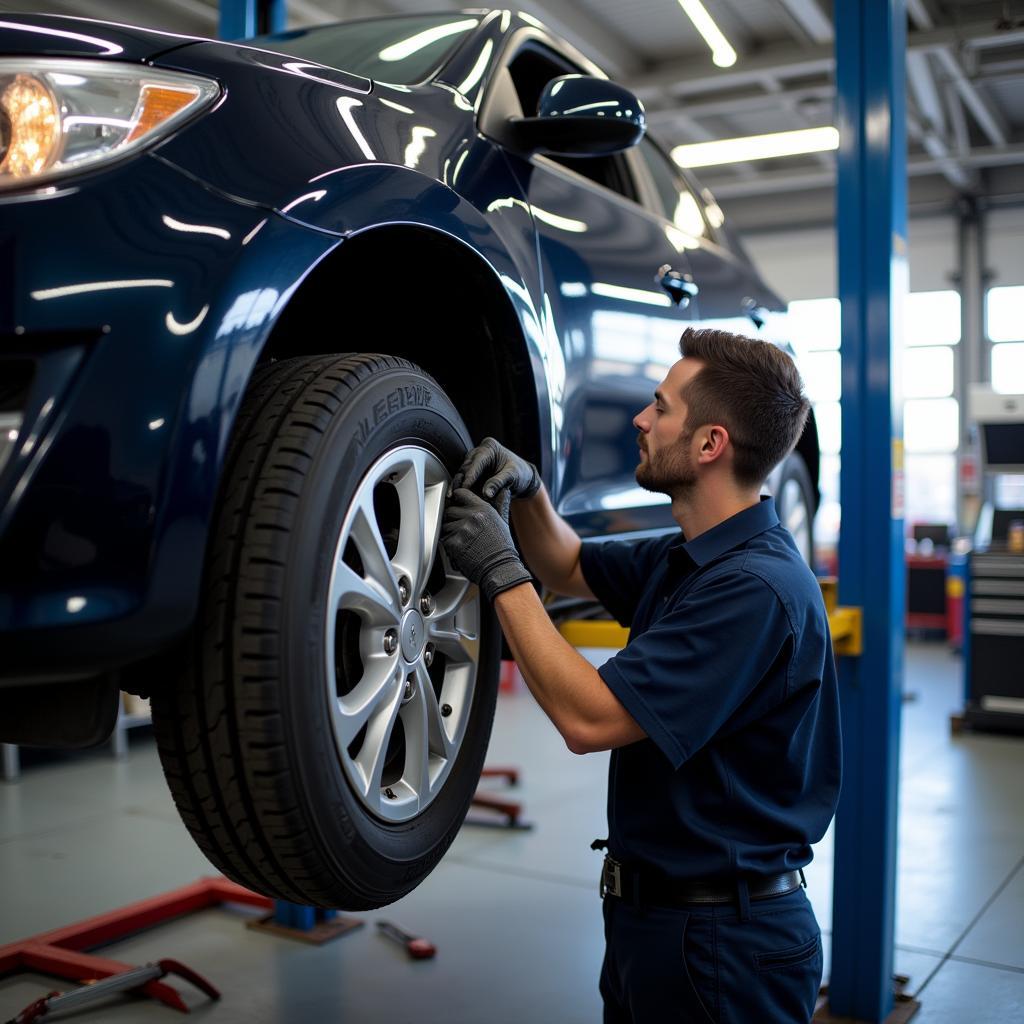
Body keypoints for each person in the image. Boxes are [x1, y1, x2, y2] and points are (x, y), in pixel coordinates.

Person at [441, 326, 841, 1024]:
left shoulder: (754, 589)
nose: (640, 419)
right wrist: (530, 491)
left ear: (710, 444)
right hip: (655, 923)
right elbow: (567, 566)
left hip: (725, 945)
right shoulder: (690, 556)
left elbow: (589, 718)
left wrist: (502, 573)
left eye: (660, 407)